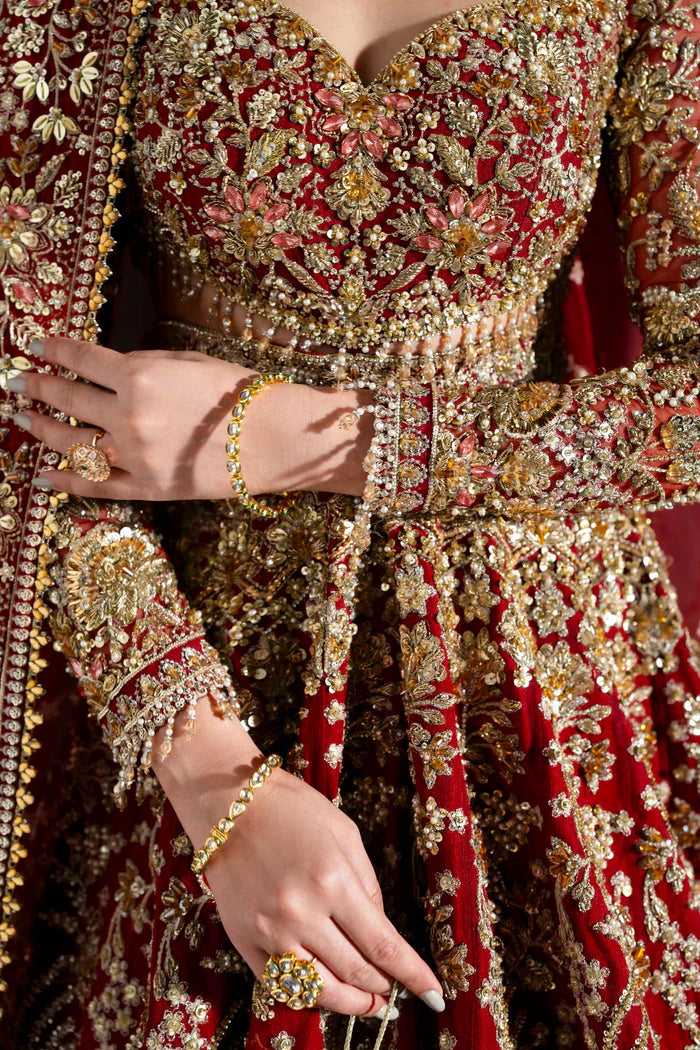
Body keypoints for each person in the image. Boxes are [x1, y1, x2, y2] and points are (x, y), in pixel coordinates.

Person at [1, 0, 699, 1046]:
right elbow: (24, 392)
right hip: (203, 669)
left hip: (543, 685)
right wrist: (210, 774)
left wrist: (308, 438)